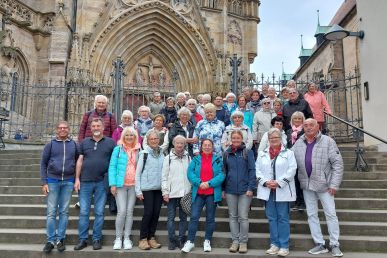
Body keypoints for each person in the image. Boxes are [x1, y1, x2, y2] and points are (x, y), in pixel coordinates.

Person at [292, 119, 344, 257]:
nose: (308, 128)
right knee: (312, 215)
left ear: (317, 127)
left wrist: (334, 184)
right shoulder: (298, 142)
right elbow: (289, 158)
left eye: (311, 125)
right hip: (307, 185)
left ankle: (334, 244)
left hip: (325, 186)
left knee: (331, 214)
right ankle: (319, 244)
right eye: (306, 126)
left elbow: (337, 164)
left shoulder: (328, 141)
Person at [74, 118, 116, 251]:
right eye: (94, 126)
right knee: (84, 212)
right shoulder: (84, 142)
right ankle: (83, 239)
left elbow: (114, 162)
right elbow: (80, 161)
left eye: (98, 126)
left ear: (103, 128)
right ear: (90, 128)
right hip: (85, 182)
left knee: (99, 212)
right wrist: (77, 179)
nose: (96, 128)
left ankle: (97, 239)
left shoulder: (110, 142)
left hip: (101, 183)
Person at [256, 128, 297, 257]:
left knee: (283, 218)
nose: (274, 140)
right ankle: (274, 244)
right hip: (267, 190)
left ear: (280, 139)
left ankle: (284, 245)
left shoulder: (289, 153)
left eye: (276, 138)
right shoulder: (262, 153)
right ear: (268, 140)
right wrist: (265, 182)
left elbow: (292, 169)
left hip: (282, 189)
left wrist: (279, 182)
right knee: (272, 218)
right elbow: (257, 170)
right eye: (271, 138)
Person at [181, 139, 225, 253]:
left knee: (210, 218)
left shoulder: (218, 159)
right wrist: (199, 183)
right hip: (199, 193)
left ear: (212, 147)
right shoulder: (196, 159)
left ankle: (207, 241)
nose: (207, 147)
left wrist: (209, 183)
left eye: (209, 145)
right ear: (201, 147)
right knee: (194, 217)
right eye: (204, 145)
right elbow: (190, 173)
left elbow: (222, 174)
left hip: (212, 193)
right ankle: (190, 241)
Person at [41, 121, 78, 253]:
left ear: (68, 130)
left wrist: (76, 179)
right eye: (60, 128)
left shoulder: (74, 145)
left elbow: (78, 161)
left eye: (65, 128)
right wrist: (44, 182)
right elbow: (43, 164)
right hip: (52, 181)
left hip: (68, 181)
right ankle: (50, 240)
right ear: (57, 130)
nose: (63, 130)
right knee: (51, 212)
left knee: (64, 211)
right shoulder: (50, 145)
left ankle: (60, 239)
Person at [223, 130, 256, 253]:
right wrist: (223, 188)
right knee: (233, 216)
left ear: (242, 138)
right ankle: (235, 241)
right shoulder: (226, 153)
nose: (236, 140)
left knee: (243, 216)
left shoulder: (248, 152)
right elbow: (224, 172)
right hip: (230, 189)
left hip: (244, 190)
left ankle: (243, 242)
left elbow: (252, 170)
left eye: (238, 138)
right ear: (231, 139)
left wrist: (250, 188)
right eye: (234, 138)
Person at [108, 127, 141, 250]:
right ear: (123, 137)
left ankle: (127, 238)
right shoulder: (118, 150)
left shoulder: (139, 150)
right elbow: (112, 167)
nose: (129, 137)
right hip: (121, 185)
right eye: (127, 135)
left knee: (129, 212)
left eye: (131, 135)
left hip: (133, 185)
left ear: (135, 137)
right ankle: (118, 238)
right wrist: (113, 184)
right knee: (121, 211)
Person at [135, 131, 165, 250]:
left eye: (156, 138)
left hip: (158, 188)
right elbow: (138, 173)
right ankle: (143, 239)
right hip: (146, 188)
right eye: (151, 139)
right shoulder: (144, 153)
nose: (154, 140)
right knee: (148, 213)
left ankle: (151, 237)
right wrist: (138, 190)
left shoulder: (163, 153)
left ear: (159, 140)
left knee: (156, 213)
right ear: (147, 140)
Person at [161, 135, 192, 250]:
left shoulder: (188, 158)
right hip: (172, 193)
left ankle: (181, 239)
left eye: (182, 143)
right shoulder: (168, 158)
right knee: (171, 218)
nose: (179, 145)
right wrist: (165, 192)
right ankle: (172, 240)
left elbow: (191, 175)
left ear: (185, 145)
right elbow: (164, 177)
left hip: (185, 194)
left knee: (184, 218)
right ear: (173, 144)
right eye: (177, 143)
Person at [286, 111, 306, 211]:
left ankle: (302, 202)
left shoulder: (305, 131)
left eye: (299, 119)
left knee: (300, 181)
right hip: (291, 159)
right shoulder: (289, 131)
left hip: (301, 158)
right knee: (292, 180)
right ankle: (294, 201)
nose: (297, 120)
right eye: (295, 119)